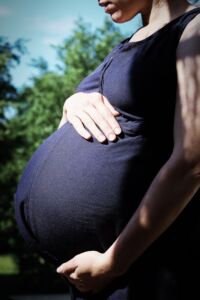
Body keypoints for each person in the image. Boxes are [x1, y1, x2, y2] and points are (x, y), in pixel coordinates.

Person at [14, 0, 200, 299]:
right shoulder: (132, 42)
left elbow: (193, 160)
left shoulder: (194, 31)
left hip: (140, 271)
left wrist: (113, 262)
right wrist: (71, 104)